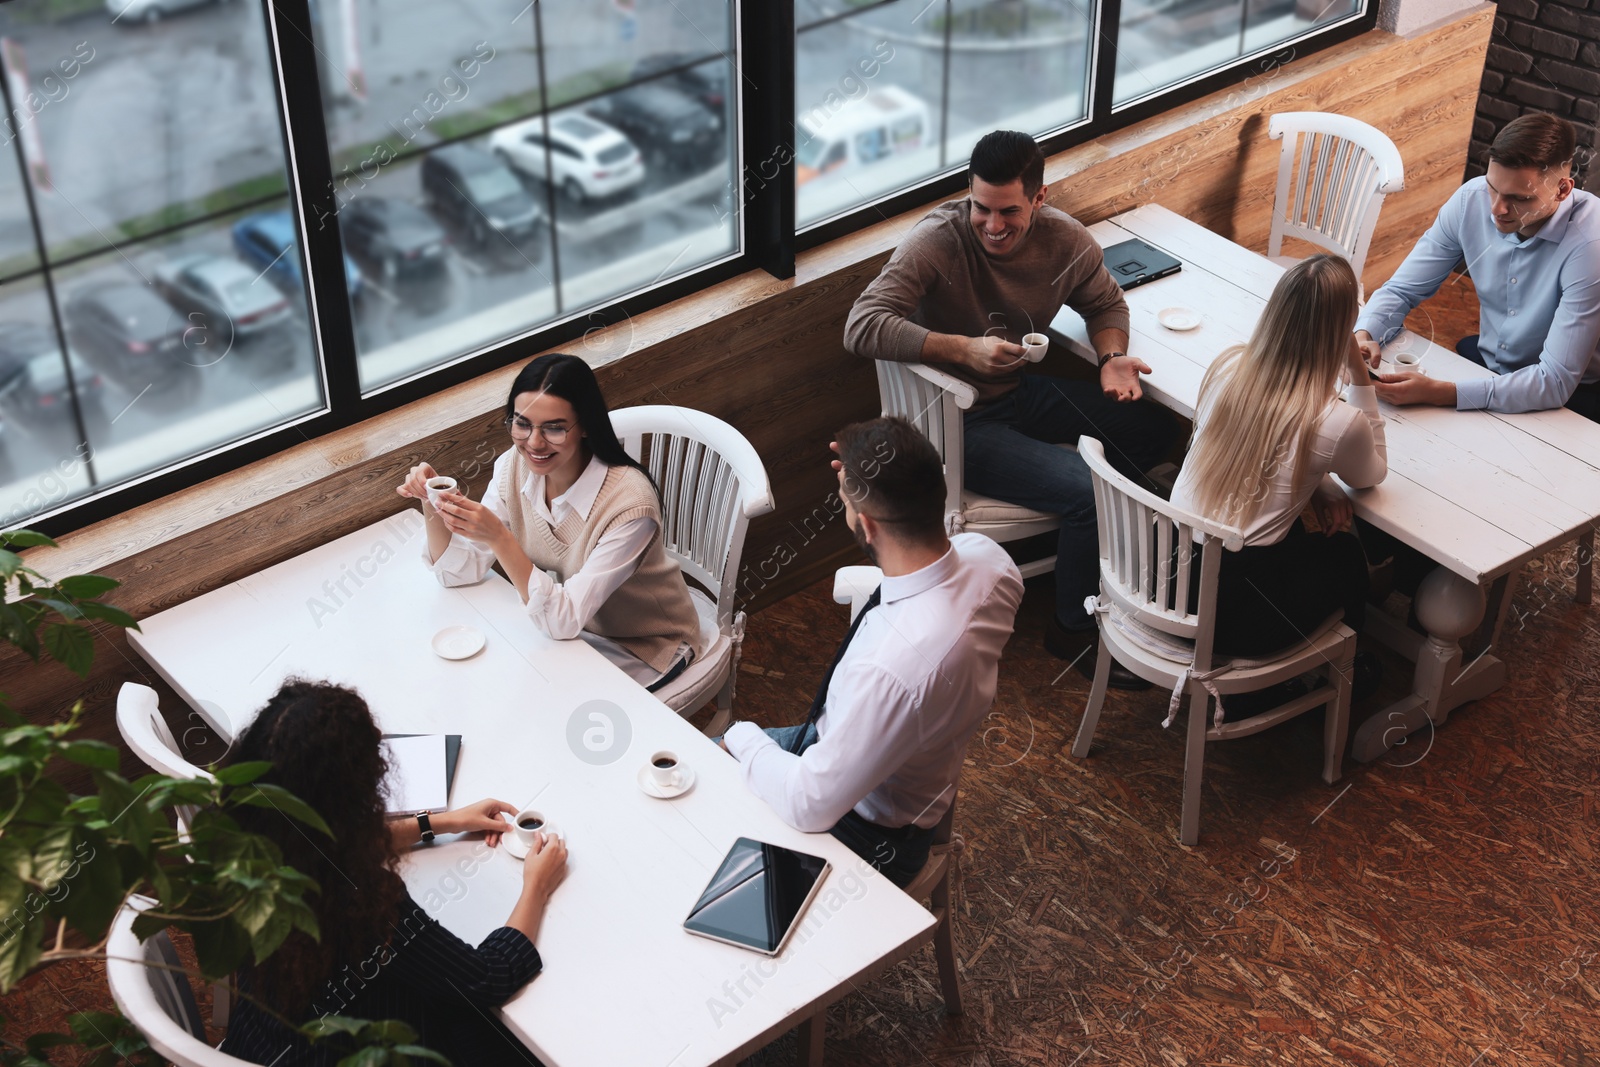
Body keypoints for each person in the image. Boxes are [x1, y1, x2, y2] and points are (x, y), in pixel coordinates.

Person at [844, 129, 1174, 689]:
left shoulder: (1067, 243)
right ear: (968, 195)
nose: (993, 226)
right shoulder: (937, 241)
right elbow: (861, 325)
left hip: (1020, 396)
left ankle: (1108, 550)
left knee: (1153, 426)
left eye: (1009, 212)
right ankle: (1072, 627)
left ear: (1039, 200)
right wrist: (959, 347)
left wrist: (1112, 357)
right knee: (1087, 491)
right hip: (951, 425)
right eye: (981, 208)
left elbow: (1105, 301)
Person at [719, 417, 1023, 888]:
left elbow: (809, 804)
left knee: (705, 773)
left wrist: (739, 734)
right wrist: (871, 470)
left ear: (864, 523)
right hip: (899, 766)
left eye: (845, 502)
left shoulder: (892, 668)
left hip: (870, 834)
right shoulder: (991, 561)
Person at [220, 680, 567, 1067]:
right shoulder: (358, 902)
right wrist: (537, 883)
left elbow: (334, 843)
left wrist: (439, 822)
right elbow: (487, 979)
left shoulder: (244, 851)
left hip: (253, 1047)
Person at [399, 353, 702, 691]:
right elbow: (458, 572)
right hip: (580, 628)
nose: (534, 443)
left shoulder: (630, 507)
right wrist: (432, 500)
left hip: (648, 646)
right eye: (522, 423)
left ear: (585, 425)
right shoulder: (512, 468)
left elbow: (563, 619)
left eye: (555, 428)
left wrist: (500, 538)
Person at [1171, 253, 1386, 656]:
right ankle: (1356, 667)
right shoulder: (1338, 420)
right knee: (1344, 553)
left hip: (1169, 584)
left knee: (1295, 538)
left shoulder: (1228, 367)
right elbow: (1371, 475)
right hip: (1233, 618)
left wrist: (1317, 478)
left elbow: (1261, 446)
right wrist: (1358, 371)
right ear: (1343, 329)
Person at [1357, 113, 1600, 421]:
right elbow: (1402, 289)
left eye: (1518, 198)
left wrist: (1442, 393)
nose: (1496, 209)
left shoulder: (1591, 247)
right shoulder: (1469, 200)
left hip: (1574, 392)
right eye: (1492, 188)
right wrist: (1364, 332)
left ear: (1563, 190)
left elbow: (1554, 381)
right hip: (1492, 361)